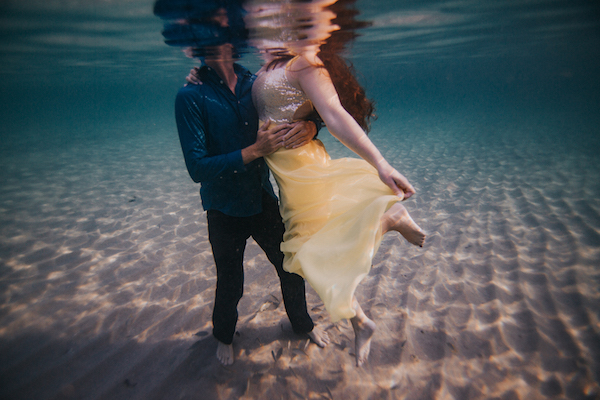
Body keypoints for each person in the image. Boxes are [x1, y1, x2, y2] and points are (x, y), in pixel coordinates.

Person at [245, 0, 426, 367]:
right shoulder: (270, 65)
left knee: (310, 256)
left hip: (303, 171)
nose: (259, 34)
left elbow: (336, 115)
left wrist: (380, 163)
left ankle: (387, 221)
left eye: (269, 21)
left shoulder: (304, 61)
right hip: (288, 177)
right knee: (310, 256)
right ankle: (362, 320)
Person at [159, 3, 330, 366]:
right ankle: (223, 336)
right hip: (223, 209)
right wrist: (254, 151)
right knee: (231, 283)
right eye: (209, 39)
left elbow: (306, 106)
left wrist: (313, 125)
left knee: (290, 268)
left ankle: (302, 325)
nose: (221, 46)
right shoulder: (189, 96)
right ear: (196, 44)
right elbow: (197, 168)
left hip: (261, 198)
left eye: (226, 39)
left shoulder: (256, 82)